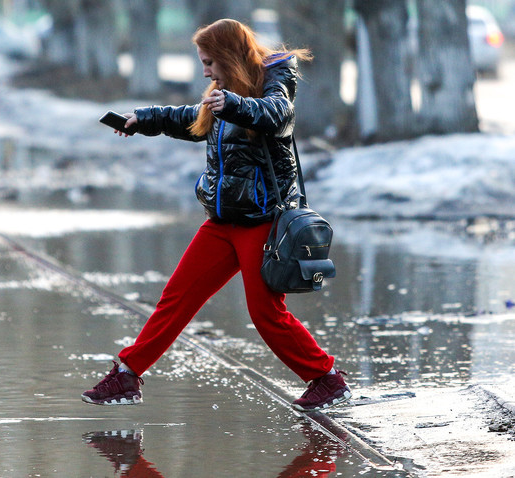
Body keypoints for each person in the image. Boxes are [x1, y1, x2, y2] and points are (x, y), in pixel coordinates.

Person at [81, 18, 351, 412]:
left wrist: (236, 105)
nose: (205, 71)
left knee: (265, 313)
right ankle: (127, 375)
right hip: (222, 221)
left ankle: (327, 379)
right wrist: (145, 119)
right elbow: (193, 121)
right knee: (175, 299)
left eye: (209, 61)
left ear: (228, 55)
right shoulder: (222, 94)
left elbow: (277, 115)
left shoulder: (275, 79)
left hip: (260, 219)